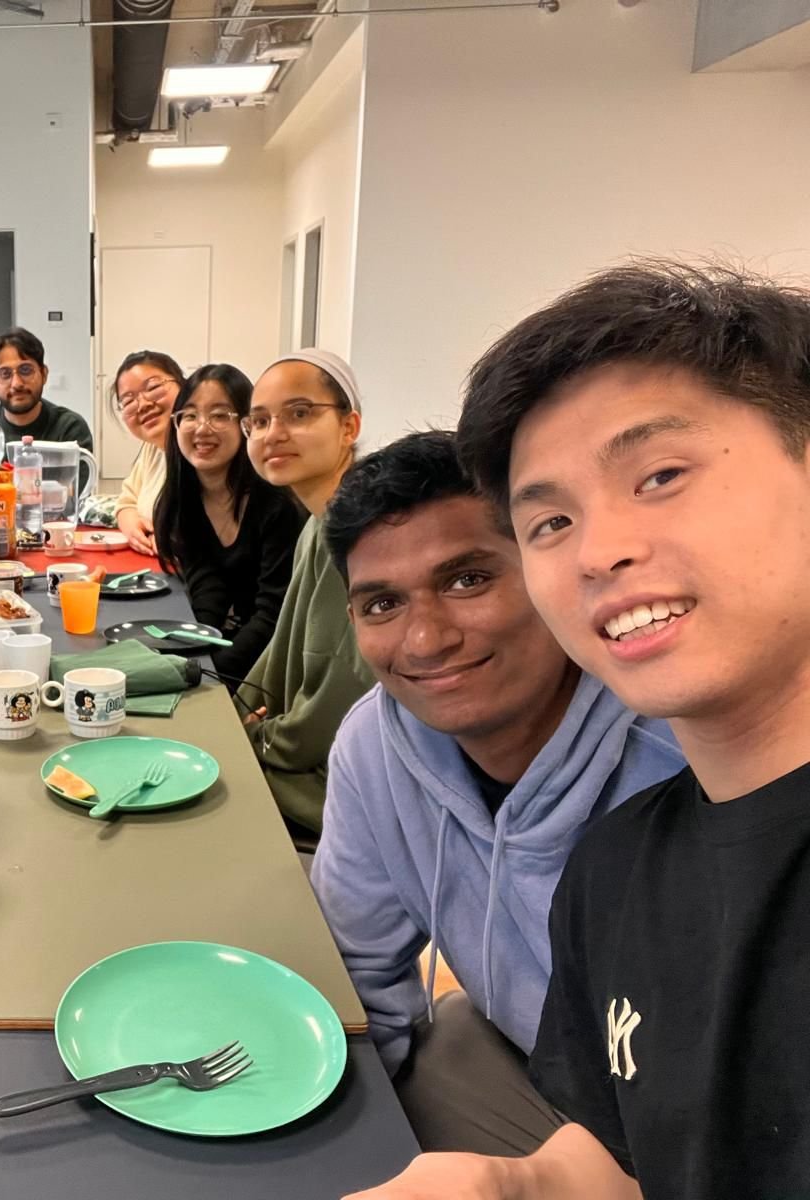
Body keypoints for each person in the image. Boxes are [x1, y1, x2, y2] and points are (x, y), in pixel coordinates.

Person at [351, 262, 810, 1200]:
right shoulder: (620, 871)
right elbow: (619, 1157)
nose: (601, 550)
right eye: (553, 520)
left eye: (661, 475)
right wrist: (512, 1189)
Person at [315, 430, 684, 1158]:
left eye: (467, 580)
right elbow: (358, 977)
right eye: (382, 604)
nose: (425, 640)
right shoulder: (374, 748)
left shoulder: (688, 758)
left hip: (694, 1139)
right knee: (443, 1039)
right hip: (536, 1070)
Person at [235, 349, 375, 835]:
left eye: (299, 414)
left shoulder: (364, 529)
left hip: (346, 773)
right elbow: (284, 642)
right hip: (307, 743)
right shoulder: (319, 523)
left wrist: (263, 738)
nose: (273, 434)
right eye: (258, 421)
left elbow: (350, 685)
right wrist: (238, 710)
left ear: (349, 426)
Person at [153, 364, 304, 684]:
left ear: (248, 425)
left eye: (220, 415)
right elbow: (208, 588)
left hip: (277, 662)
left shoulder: (277, 505)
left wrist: (210, 674)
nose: (202, 428)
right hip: (234, 648)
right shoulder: (184, 501)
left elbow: (274, 616)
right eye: (190, 415)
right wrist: (191, 652)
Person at [0, 327, 93, 507]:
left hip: (52, 531)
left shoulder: (69, 427)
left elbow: (76, 495)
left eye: (26, 370)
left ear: (44, 374)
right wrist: (36, 491)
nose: (17, 383)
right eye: (5, 374)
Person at [110, 349, 185, 555]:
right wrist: (132, 525)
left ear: (183, 385)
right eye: (128, 401)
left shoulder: (199, 449)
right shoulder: (152, 448)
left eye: (153, 388)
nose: (143, 405)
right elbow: (126, 501)